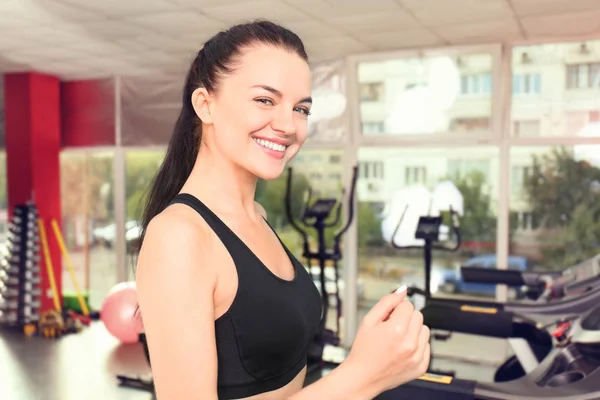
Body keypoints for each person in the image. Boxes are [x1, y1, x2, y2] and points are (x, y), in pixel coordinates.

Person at [135, 19, 430, 400]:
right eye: (265, 100)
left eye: (301, 109)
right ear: (205, 105)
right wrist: (362, 375)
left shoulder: (256, 216)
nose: (288, 125)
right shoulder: (178, 236)